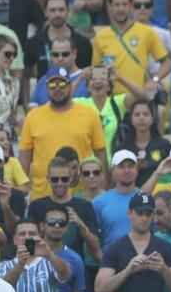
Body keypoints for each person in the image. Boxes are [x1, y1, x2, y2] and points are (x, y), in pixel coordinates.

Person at [18, 68, 107, 198]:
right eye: (53, 85)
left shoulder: (90, 114)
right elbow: (25, 156)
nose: (57, 89)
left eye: (62, 84)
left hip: (81, 195)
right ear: (46, 88)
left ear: (70, 86)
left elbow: (100, 152)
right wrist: (22, 189)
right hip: (42, 195)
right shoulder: (33, 116)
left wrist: (102, 187)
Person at [95, 192, 171, 292]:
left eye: (148, 214)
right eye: (140, 213)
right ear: (130, 213)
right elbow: (100, 289)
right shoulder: (115, 248)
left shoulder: (165, 247)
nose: (144, 218)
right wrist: (128, 270)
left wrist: (163, 269)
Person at [25, 0, 92, 78]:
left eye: (61, 10)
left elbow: (87, 75)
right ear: (45, 12)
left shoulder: (83, 43)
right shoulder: (33, 43)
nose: (57, 14)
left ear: (68, 11)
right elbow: (26, 76)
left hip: (76, 90)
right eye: (52, 10)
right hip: (43, 89)